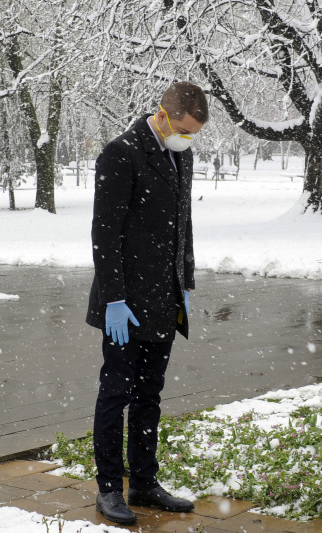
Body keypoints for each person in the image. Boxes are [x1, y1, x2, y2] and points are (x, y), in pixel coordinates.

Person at [85, 82, 208, 525]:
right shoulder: (120, 153)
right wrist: (114, 299)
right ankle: (108, 489)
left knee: (149, 395)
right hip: (126, 302)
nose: (188, 139)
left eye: (194, 134)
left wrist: (186, 285)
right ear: (164, 115)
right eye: (185, 130)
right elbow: (105, 233)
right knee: (116, 392)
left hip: (163, 298)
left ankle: (143, 481)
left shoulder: (182, 155)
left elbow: (183, 226)